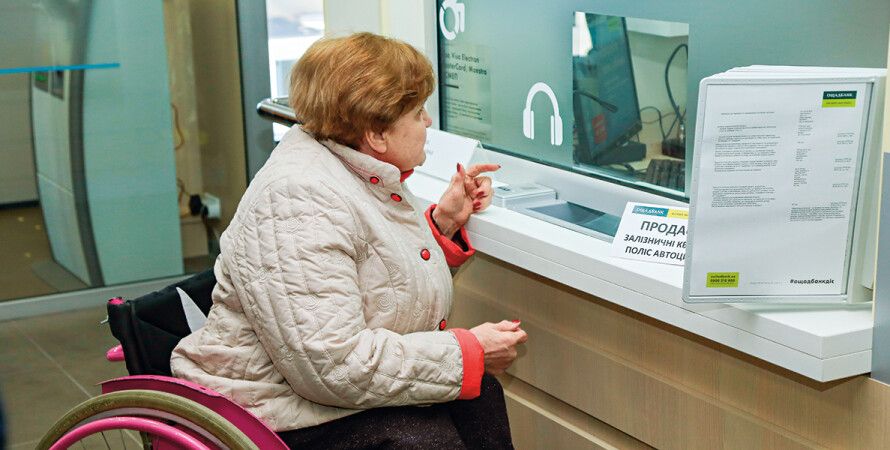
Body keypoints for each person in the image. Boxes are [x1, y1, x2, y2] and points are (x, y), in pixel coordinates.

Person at [171, 32, 528, 449]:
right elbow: (335, 366)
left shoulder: (356, 169)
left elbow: (371, 276)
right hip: (267, 410)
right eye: (418, 112)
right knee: (425, 440)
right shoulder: (298, 199)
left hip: (316, 390)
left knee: (480, 397)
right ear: (376, 133)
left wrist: (442, 225)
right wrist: (467, 352)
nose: (428, 122)